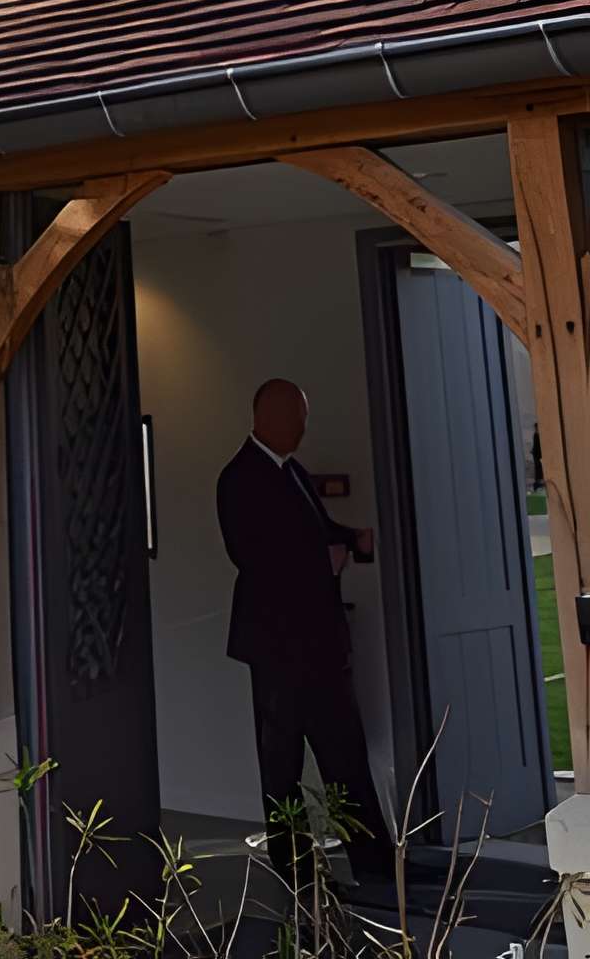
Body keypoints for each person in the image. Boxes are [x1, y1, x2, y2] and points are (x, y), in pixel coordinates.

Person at [216, 378, 394, 887]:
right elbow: (253, 557)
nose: (304, 428)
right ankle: (298, 874)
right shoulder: (239, 478)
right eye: (298, 417)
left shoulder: (291, 471)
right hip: (277, 649)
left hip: (320, 645)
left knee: (347, 756)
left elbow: (314, 531)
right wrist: (326, 561)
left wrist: (352, 539)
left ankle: (377, 866)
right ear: (267, 418)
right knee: (282, 766)